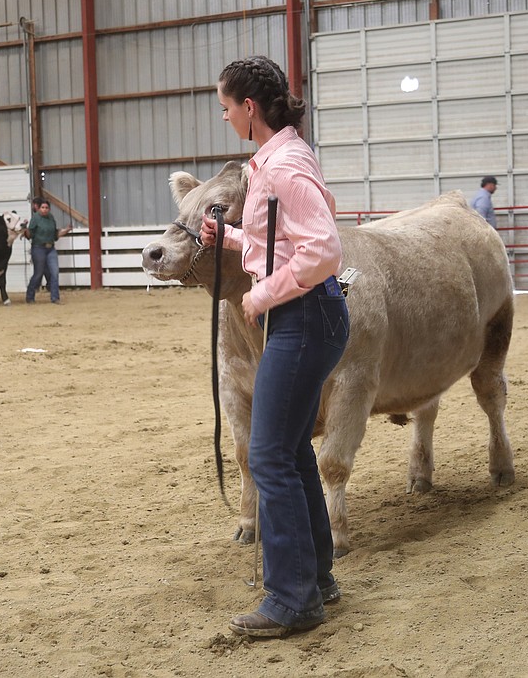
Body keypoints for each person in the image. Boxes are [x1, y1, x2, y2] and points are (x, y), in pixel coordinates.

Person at [200, 55, 350, 638]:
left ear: (250, 108)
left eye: (226, 107)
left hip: (303, 315)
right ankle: (315, 578)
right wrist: (230, 236)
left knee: (267, 456)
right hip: (306, 315)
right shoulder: (279, 159)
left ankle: (292, 599)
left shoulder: (284, 165)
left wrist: (262, 297)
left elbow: (322, 252)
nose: (225, 116)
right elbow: (282, 241)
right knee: (287, 451)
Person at [25, 200, 71, 304]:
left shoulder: (51, 218)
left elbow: (55, 234)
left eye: (46, 208)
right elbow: (30, 234)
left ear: (49, 209)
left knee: (54, 272)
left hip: (50, 248)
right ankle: (30, 295)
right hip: (38, 248)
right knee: (38, 273)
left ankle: (55, 297)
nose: (45, 210)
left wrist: (66, 230)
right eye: (43, 207)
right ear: (39, 208)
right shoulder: (35, 218)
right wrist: (25, 229)